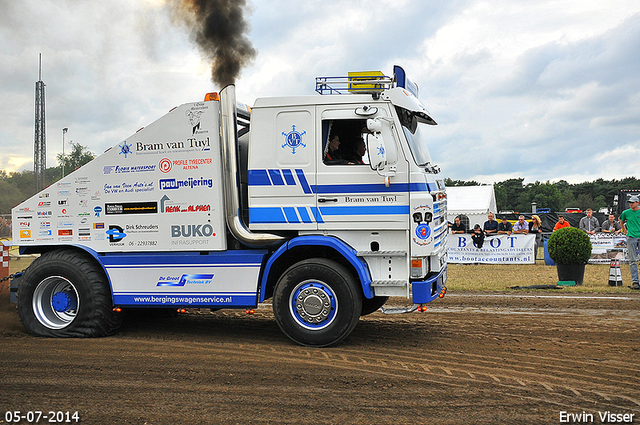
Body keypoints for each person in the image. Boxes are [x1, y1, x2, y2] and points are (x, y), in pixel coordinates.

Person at [620, 195, 640, 290]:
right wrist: (624, 231)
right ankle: (635, 282)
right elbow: (621, 220)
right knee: (632, 260)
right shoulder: (626, 213)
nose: (631, 204)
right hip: (631, 237)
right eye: (630, 203)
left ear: (637, 203)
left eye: (633, 202)